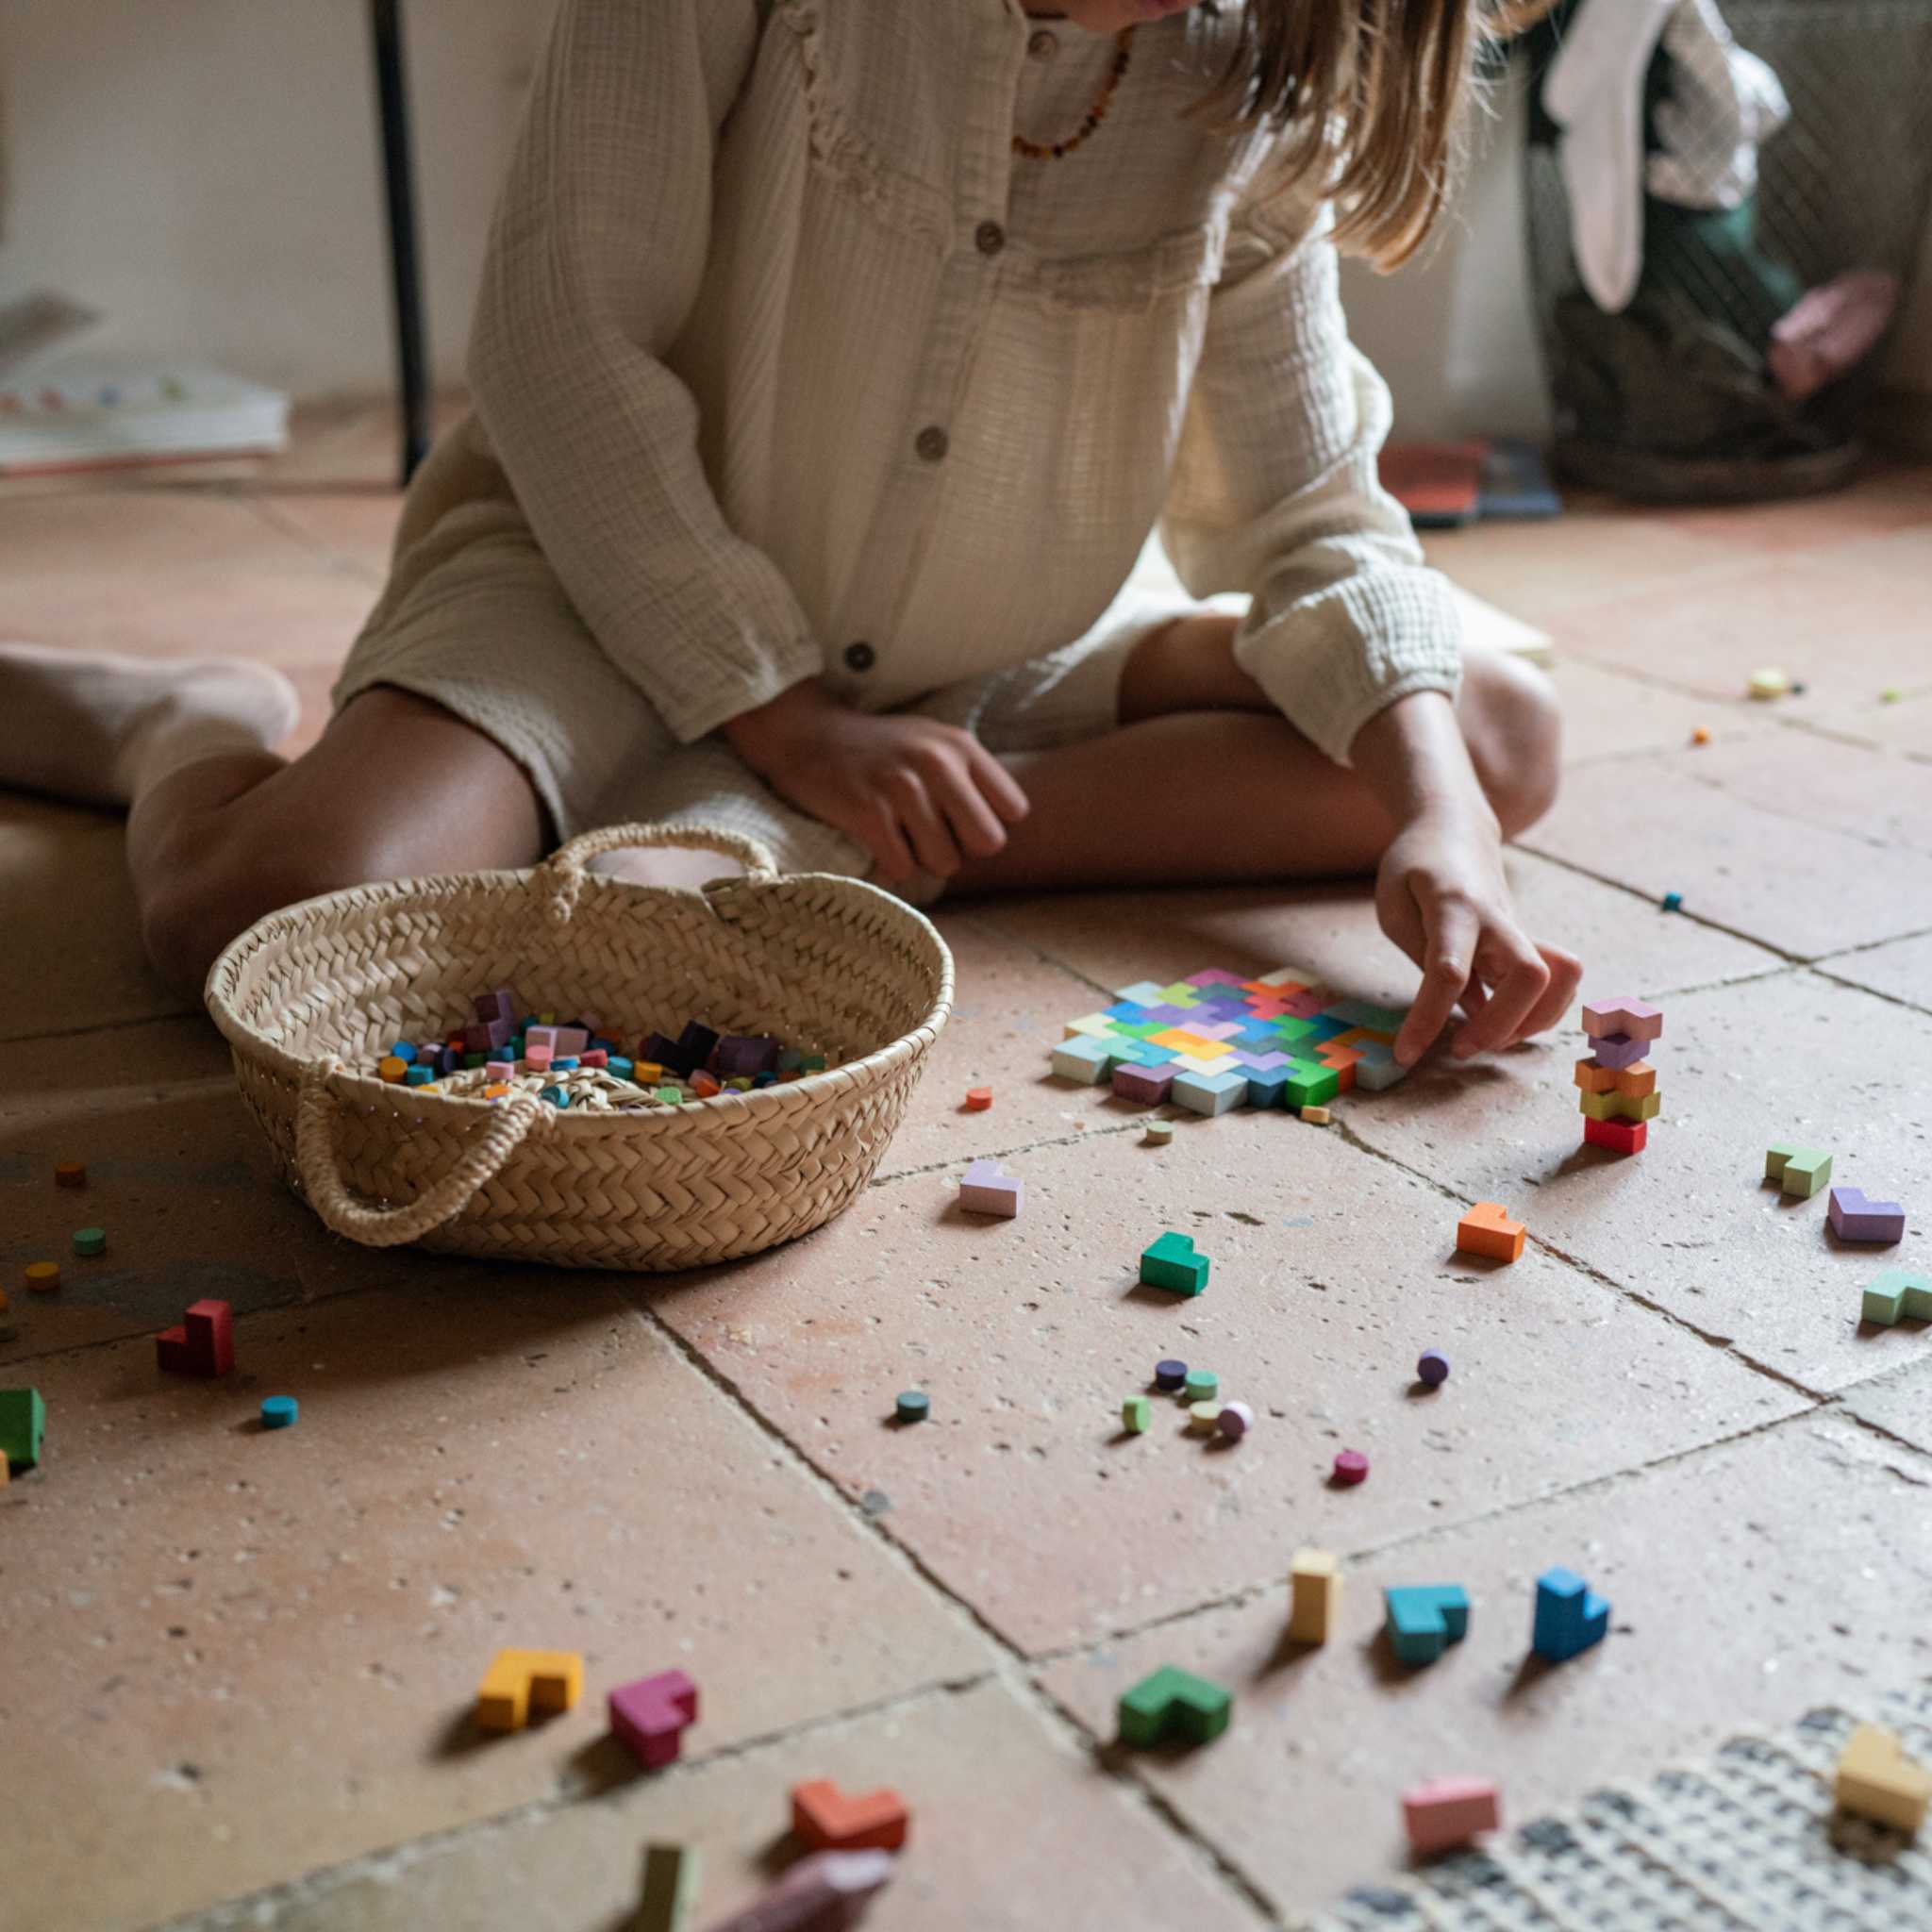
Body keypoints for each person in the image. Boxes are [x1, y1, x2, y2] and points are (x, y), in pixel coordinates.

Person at [0, 0, 1577, 1070]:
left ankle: (844, 845)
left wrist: (1444, 825)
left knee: (1487, 739)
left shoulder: (1253, 68)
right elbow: (561, 341)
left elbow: (1309, 513)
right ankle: (180, 725)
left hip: (991, 652)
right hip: (603, 588)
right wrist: (790, 720)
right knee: (267, 920)